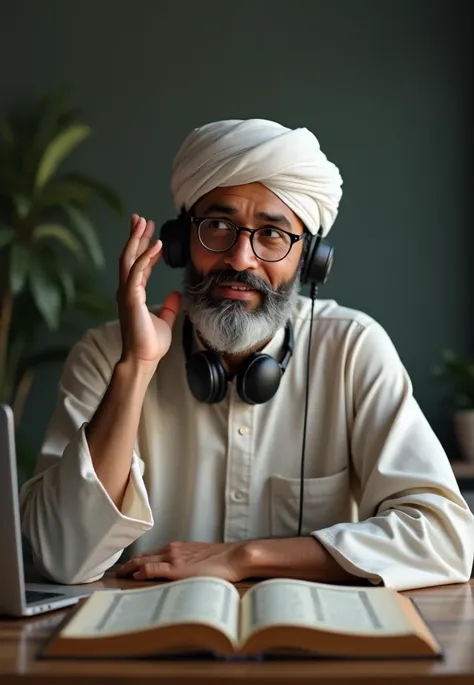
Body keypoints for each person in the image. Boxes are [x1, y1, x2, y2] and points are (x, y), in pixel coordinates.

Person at [20, 118, 474, 589]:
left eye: (272, 235)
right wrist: (136, 369)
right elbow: (62, 556)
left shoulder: (352, 350)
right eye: (218, 226)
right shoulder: (107, 354)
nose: (240, 258)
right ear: (180, 243)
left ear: (311, 259)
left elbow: (446, 538)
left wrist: (245, 557)